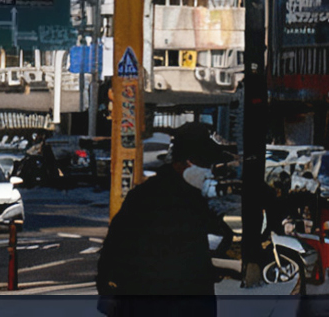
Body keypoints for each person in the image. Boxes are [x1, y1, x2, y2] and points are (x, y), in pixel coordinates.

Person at [96, 120, 234, 313]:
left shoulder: (197, 199)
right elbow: (116, 248)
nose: (208, 171)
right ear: (186, 163)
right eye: (205, 164)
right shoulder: (149, 199)